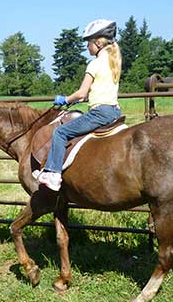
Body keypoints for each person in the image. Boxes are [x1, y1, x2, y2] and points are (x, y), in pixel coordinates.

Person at [38, 19, 122, 191]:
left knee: (61, 132)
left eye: (89, 43)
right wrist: (83, 99)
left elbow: (82, 92)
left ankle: (53, 173)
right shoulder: (113, 61)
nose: (87, 47)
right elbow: (99, 91)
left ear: (98, 43)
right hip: (114, 111)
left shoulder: (95, 63)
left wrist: (66, 99)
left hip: (100, 113)